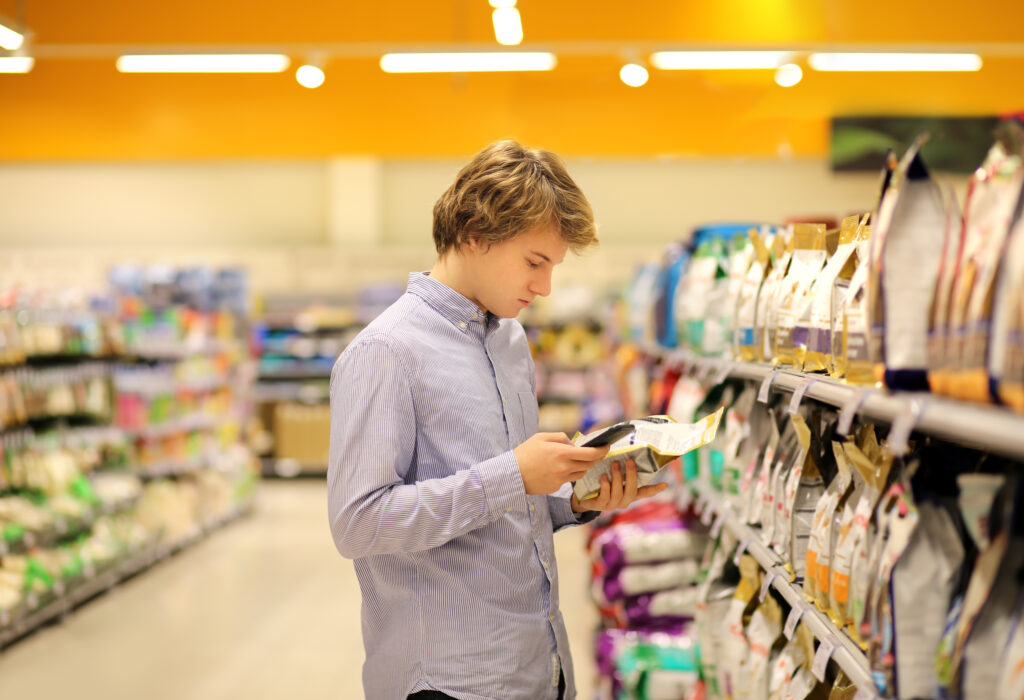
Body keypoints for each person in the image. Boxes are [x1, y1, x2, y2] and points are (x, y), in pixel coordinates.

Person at [327, 139, 669, 700]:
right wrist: (514, 473)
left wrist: (576, 497)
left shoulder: (509, 340)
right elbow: (358, 524)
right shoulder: (385, 352)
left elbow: (505, 503)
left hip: (537, 665)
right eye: (535, 262)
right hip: (448, 681)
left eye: (553, 267)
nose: (545, 287)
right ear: (473, 234)